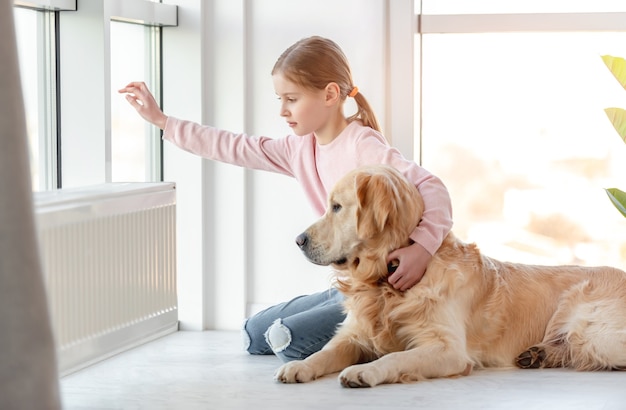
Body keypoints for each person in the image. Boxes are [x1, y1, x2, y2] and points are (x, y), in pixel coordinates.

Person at [119, 35, 453, 363]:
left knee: (288, 343)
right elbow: (236, 146)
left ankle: (372, 331)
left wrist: (422, 249)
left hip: (392, 288)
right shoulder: (299, 149)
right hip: (356, 283)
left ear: (330, 94)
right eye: (280, 99)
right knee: (253, 333)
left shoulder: (363, 145)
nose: (282, 111)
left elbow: (433, 187)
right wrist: (163, 121)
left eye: (291, 99)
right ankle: (335, 302)